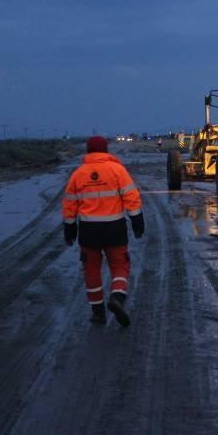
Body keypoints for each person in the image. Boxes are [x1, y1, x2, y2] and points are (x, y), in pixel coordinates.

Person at [62, 136, 144, 326]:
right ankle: (117, 298)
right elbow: (132, 198)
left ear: (88, 151)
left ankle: (98, 312)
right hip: (114, 228)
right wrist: (137, 222)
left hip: (89, 230)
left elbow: (69, 205)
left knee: (91, 269)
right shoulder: (117, 170)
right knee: (120, 266)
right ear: (106, 150)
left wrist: (69, 228)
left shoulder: (78, 174)